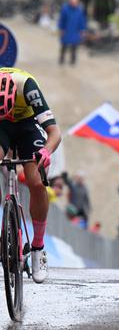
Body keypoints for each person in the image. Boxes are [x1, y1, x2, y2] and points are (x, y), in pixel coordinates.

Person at [0, 68, 62, 283]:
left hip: (27, 125)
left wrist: (46, 151)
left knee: (35, 181)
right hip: (2, 126)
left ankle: (37, 248)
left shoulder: (27, 86)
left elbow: (55, 133)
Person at [57, 0, 87, 65]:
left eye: (75, 2)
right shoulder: (65, 9)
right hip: (66, 31)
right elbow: (62, 20)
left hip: (75, 32)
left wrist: (82, 30)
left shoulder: (79, 11)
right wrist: (61, 29)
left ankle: (73, 61)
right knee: (64, 46)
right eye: (72, 2)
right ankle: (61, 60)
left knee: (74, 47)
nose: (74, 3)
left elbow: (82, 21)